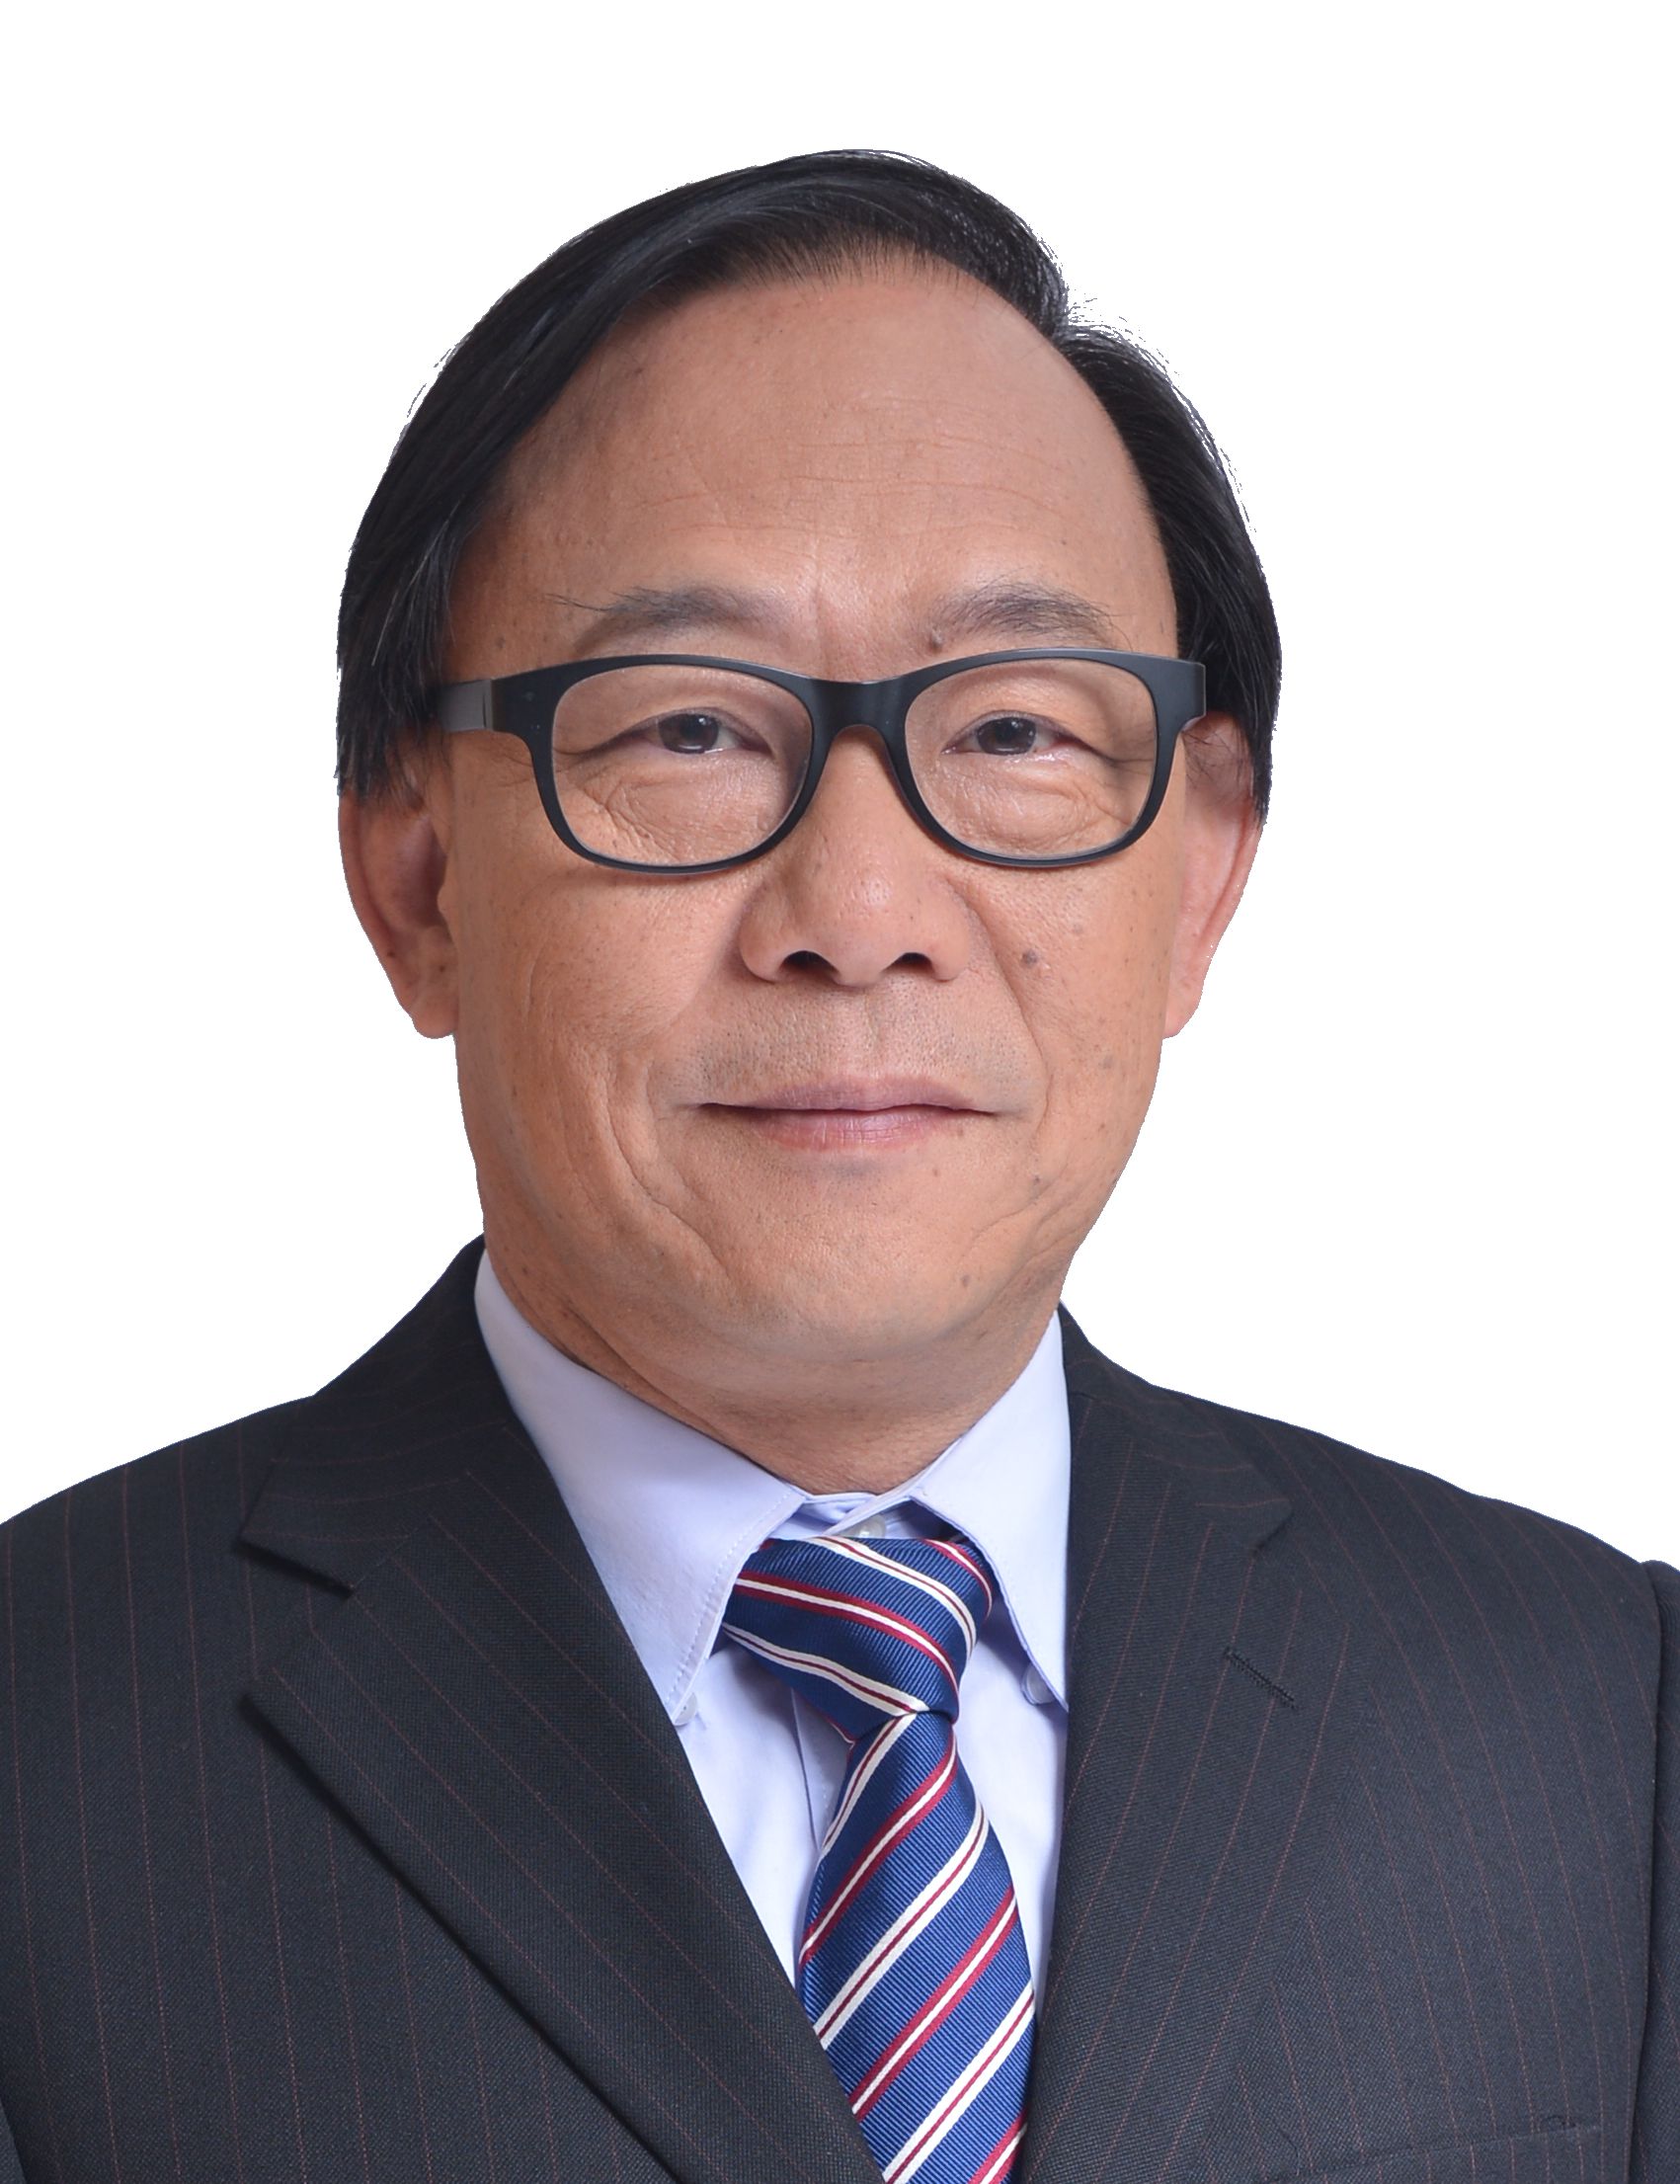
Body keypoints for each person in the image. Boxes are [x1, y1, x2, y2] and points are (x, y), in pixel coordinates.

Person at [0, 148, 1671, 2184]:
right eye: (689, 731)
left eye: (1015, 733)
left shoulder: (1603, 1728)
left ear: (1200, 878)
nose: (859, 909)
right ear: (414, 876)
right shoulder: (46, 1748)